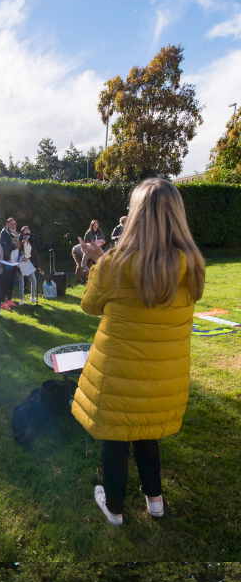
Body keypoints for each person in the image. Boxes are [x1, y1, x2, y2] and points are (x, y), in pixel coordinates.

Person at [73, 179, 205, 526]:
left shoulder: (115, 264)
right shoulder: (192, 265)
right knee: (147, 433)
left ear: (136, 216)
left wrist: (96, 264)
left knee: (115, 439)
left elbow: (90, 305)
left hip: (118, 375)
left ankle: (115, 509)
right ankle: (155, 502)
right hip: (162, 378)